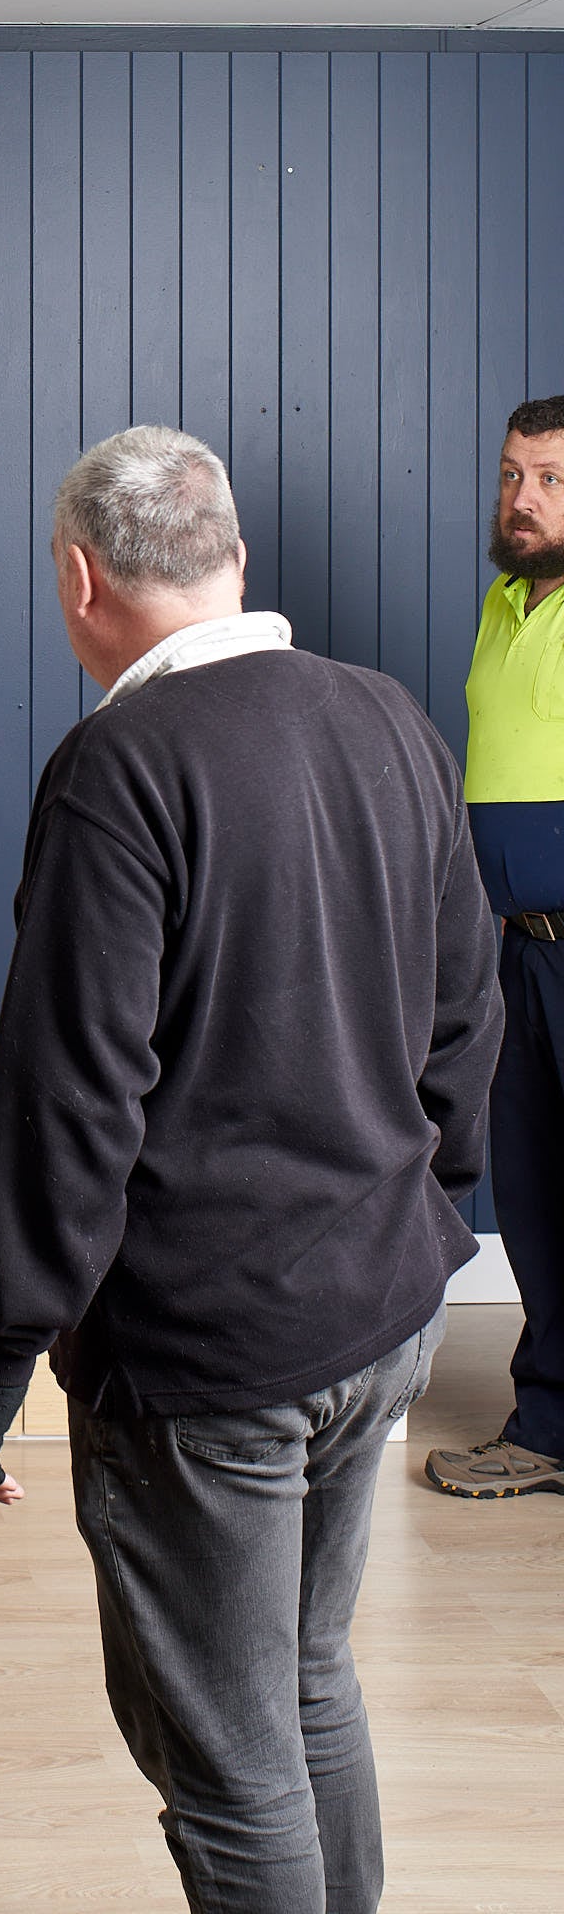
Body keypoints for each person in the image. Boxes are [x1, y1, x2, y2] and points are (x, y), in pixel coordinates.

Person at [0, 427, 502, 1914]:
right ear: (235, 558)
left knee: (228, 1751)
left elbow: (71, 1094)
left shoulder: (119, 766)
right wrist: (432, 1203)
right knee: (307, 1682)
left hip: (211, 1356)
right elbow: (467, 1009)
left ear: (79, 581)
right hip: (384, 1310)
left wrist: (1, 1351)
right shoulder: (387, 717)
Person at [426, 394, 564, 1498]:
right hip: (516, 951)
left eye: (554, 480)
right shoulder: (504, 601)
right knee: (533, 1191)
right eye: (514, 475)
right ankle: (550, 1430)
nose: (524, 500)